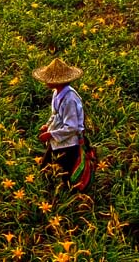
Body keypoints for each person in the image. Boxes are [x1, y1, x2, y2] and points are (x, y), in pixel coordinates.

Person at [34, 58, 85, 188]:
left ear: (58, 81)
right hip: (57, 140)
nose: (46, 81)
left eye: (49, 79)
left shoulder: (69, 99)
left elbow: (72, 127)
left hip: (68, 144)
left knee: (65, 177)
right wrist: (47, 125)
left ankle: (69, 201)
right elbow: (55, 114)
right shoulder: (57, 92)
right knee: (46, 170)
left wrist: (50, 134)